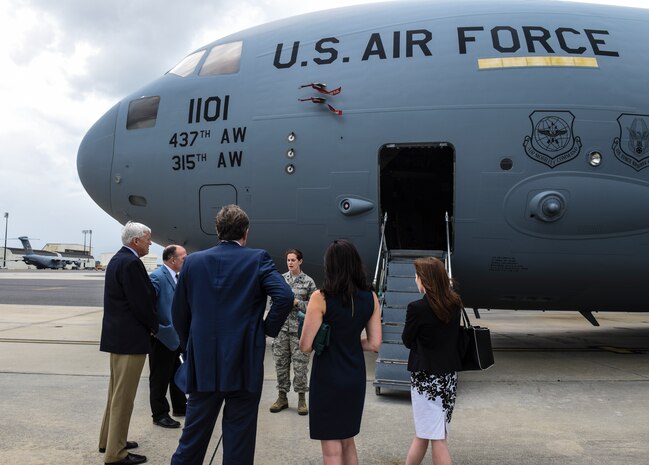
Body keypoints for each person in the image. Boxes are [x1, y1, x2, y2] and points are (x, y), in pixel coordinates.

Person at [170, 204, 293, 465]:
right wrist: (264, 329)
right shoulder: (258, 259)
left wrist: (189, 346)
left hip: (203, 363)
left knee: (191, 440)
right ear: (245, 233)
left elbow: (178, 312)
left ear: (217, 231)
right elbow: (284, 296)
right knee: (239, 440)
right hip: (243, 363)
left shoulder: (192, 262)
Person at [299, 239, 382, 465]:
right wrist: (351, 343)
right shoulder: (370, 297)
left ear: (330, 266)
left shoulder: (321, 297)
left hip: (327, 377)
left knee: (331, 450)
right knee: (348, 441)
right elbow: (375, 344)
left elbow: (305, 346)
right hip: (354, 376)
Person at [98, 222, 158, 465]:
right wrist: (154, 326)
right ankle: (116, 454)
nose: (150, 243)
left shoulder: (117, 259)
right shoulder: (132, 263)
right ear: (136, 241)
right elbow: (141, 303)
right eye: (147, 239)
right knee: (124, 397)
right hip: (131, 339)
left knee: (115, 393)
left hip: (117, 337)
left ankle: (109, 441)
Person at [401, 257, 463, 465]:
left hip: (426, 379)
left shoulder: (416, 308)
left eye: (417, 276)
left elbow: (407, 340)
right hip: (447, 378)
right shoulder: (455, 303)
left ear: (425, 280)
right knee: (432, 432)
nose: (415, 279)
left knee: (432, 436)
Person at [270, 248, 317, 415]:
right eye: (288, 260)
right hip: (282, 330)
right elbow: (273, 304)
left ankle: (302, 399)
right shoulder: (280, 280)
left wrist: (297, 303)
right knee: (281, 365)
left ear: (300, 261)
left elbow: (313, 307)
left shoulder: (309, 282)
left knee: (300, 366)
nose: (290, 263)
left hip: (299, 330)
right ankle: (282, 397)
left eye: (293, 260)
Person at [148, 245, 188, 429]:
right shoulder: (157, 277)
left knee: (176, 373)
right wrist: (158, 329)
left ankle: (179, 407)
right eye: (183, 258)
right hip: (162, 337)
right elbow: (148, 307)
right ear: (172, 259)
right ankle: (159, 414)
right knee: (159, 377)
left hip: (176, 336)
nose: (185, 260)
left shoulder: (177, 277)